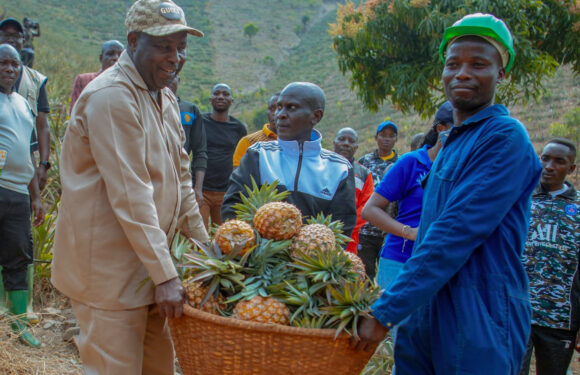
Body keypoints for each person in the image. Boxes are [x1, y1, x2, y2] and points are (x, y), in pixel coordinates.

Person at [352, 13, 542, 375]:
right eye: (453, 64)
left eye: (478, 64)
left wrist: (385, 310)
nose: (462, 73)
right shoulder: (453, 142)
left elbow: (456, 230)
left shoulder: (504, 138)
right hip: (428, 302)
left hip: (479, 307)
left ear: (501, 74)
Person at [51, 1, 208, 373]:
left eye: (180, 47)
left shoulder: (165, 97)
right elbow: (131, 194)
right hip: (108, 275)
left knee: (158, 369)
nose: (175, 58)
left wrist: (205, 247)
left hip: (151, 267)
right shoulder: (111, 97)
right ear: (134, 41)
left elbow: (181, 178)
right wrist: (167, 276)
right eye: (164, 47)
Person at [221, 82, 356, 237]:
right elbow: (232, 207)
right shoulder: (258, 154)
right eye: (279, 107)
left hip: (309, 259)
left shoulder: (339, 169)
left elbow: (342, 228)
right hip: (254, 258)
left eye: (292, 108)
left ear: (316, 116)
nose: (280, 115)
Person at [363, 101, 453, 290]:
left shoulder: (461, 169)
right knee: (392, 320)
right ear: (441, 129)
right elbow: (370, 210)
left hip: (441, 265)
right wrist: (409, 232)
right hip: (400, 260)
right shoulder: (412, 162)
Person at [0, 16, 51, 323]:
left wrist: (36, 197)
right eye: (3, 64)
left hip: (19, 194)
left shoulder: (22, 104)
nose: (9, 69)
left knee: (19, 255)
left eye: (14, 65)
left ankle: (19, 323)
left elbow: (30, 154)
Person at [519, 138, 580, 375]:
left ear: (571, 168)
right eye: (545, 158)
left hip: (560, 319)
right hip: (517, 311)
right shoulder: (520, 198)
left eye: (559, 161)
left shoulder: (577, 208)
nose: (549, 166)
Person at [0, 18, 50, 192]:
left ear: (24, 40)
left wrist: (43, 164)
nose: (11, 39)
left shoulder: (36, 80)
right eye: (5, 35)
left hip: (24, 168)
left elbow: (42, 125)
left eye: (16, 36)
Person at [199, 83, 247, 228]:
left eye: (225, 94)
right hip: (200, 190)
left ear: (231, 101)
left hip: (226, 192)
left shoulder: (238, 128)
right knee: (196, 236)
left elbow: (241, 160)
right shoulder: (200, 122)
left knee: (223, 237)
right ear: (210, 99)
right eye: (217, 93)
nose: (221, 96)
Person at [356, 120, 399, 278]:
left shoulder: (400, 164)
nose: (387, 139)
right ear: (376, 138)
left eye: (391, 136)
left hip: (389, 231)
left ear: (396, 139)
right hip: (366, 230)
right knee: (364, 274)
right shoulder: (364, 162)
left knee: (387, 275)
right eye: (383, 135)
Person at [333, 127, 373, 253]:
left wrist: (347, 227)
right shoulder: (320, 166)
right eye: (341, 139)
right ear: (334, 142)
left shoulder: (364, 173)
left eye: (351, 141)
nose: (346, 143)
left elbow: (366, 207)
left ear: (356, 147)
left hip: (349, 239)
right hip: (318, 233)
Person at [168, 74, 207, 205]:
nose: (169, 80)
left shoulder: (190, 110)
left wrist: (198, 189)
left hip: (181, 178)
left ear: (178, 80)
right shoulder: (146, 106)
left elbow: (200, 151)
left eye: (173, 76)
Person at [70, 39, 124, 110]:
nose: (116, 58)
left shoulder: (126, 85)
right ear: (101, 58)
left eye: (120, 55)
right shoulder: (83, 80)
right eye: (110, 54)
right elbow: (75, 111)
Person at [232, 92, 280, 168]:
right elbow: (238, 177)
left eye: (280, 109)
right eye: (272, 109)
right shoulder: (248, 142)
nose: (276, 113)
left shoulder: (301, 142)